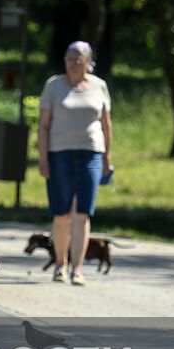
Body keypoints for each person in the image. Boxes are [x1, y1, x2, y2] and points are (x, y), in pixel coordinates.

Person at [37, 41, 113, 286]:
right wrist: (43, 157)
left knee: (82, 213)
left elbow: (106, 124)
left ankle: (77, 269)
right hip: (60, 154)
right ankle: (61, 263)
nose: (72, 64)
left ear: (87, 62)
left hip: (91, 153)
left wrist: (107, 156)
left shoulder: (99, 86)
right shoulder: (54, 85)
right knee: (62, 213)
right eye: (69, 59)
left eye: (77, 59)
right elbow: (44, 125)